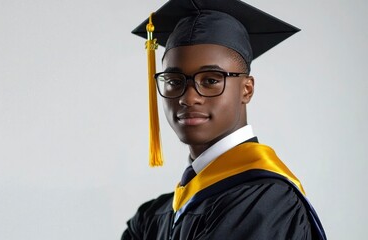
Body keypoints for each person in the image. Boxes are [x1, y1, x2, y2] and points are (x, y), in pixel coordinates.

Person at [122, 0, 326, 239]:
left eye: (210, 80)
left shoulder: (266, 202)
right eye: (174, 81)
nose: (188, 98)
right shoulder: (153, 216)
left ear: (247, 90)